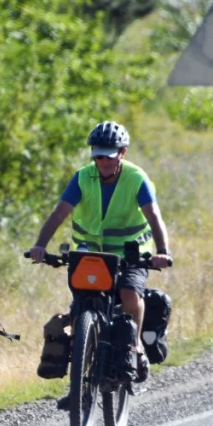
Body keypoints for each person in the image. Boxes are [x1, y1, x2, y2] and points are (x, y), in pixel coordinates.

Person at [27, 121, 172, 383]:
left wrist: (163, 251)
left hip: (130, 254)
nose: (103, 161)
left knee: (129, 293)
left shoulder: (136, 178)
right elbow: (59, 213)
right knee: (80, 306)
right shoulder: (83, 177)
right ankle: (80, 386)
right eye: (98, 155)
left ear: (122, 153)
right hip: (89, 253)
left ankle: (136, 347)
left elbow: (154, 216)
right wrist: (40, 245)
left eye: (109, 155)